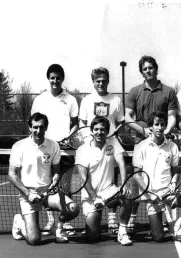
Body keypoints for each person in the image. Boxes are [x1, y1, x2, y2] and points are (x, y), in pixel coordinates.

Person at [125, 55, 180, 232]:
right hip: (141, 142)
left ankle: (167, 216)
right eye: (145, 69)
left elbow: (172, 117)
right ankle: (132, 217)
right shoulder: (135, 91)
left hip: (163, 140)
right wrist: (143, 131)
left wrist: (164, 131)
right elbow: (127, 117)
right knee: (137, 178)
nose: (148, 71)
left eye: (151, 68)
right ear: (142, 72)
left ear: (156, 68)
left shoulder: (169, 91)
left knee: (165, 174)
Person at [9, 113, 80, 245]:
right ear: (29, 128)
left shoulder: (54, 146)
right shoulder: (19, 146)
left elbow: (56, 172)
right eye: (35, 127)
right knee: (34, 240)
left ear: (46, 128)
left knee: (73, 208)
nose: (38, 131)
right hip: (28, 195)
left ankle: (56, 227)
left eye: (42, 127)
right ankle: (19, 222)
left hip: (48, 194)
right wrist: (28, 193)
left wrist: (55, 180)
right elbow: (12, 174)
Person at [133, 111, 181, 242]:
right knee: (158, 238)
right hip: (152, 196)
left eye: (162, 124)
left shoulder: (173, 146)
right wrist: (150, 194)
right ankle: (160, 226)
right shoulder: (140, 147)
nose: (159, 127)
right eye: (156, 124)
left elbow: (176, 170)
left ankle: (177, 225)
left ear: (166, 126)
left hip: (171, 193)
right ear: (150, 127)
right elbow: (137, 175)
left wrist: (173, 182)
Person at [31, 64, 79, 236]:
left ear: (62, 79)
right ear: (48, 78)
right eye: (52, 77)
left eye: (58, 78)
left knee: (64, 186)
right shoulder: (39, 100)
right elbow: (33, 123)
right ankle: (51, 221)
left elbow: (75, 125)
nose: (55, 81)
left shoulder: (71, 100)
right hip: (45, 149)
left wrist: (69, 137)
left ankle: (64, 221)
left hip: (65, 150)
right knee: (46, 185)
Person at [79, 67, 125, 234]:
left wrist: (112, 134)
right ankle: (94, 205)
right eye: (97, 80)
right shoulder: (86, 100)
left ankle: (112, 215)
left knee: (112, 179)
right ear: (93, 82)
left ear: (108, 80)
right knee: (91, 178)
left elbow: (120, 122)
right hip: (92, 147)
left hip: (110, 146)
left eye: (103, 80)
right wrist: (87, 140)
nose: (101, 83)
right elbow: (82, 122)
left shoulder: (116, 100)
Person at [75, 116, 133, 246]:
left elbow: (122, 164)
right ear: (91, 131)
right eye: (96, 129)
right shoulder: (82, 150)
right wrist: (95, 198)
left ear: (107, 132)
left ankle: (122, 231)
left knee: (127, 194)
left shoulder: (113, 143)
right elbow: (83, 177)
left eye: (102, 130)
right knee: (93, 238)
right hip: (91, 197)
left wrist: (123, 185)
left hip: (109, 191)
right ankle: (95, 219)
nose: (99, 132)